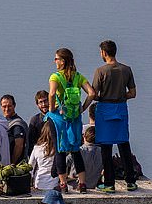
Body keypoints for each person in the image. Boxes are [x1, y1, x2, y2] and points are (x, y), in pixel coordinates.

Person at [91, 40, 139, 192]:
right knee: (124, 143)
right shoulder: (127, 69)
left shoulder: (100, 71)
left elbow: (94, 93)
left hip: (105, 109)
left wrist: (103, 97)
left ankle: (109, 184)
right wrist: (119, 96)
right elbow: (133, 93)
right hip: (120, 108)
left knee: (106, 147)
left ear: (104, 53)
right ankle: (130, 181)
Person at [47, 47, 96, 193]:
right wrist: (83, 108)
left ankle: (63, 184)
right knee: (75, 149)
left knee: (60, 150)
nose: (55, 61)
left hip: (59, 118)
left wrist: (50, 109)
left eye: (56, 59)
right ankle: (82, 184)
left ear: (62, 61)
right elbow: (92, 93)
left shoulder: (55, 77)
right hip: (74, 118)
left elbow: (51, 93)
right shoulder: (78, 76)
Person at [28, 123, 59, 191]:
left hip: (39, 182)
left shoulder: (37, 148)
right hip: (55, 183)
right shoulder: (59, 148)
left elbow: (30, 167)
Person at [0, 94, 28, 164]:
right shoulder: (3, 121)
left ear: (14, 106)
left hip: (15, 165)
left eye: (9, 106)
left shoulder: (17, 124)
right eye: (4, 106)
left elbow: (19, 146)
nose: (7, 109)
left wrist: (12, 163)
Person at [26, 90, 52, 159]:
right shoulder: (34, 121)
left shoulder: (58, 118)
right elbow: (31, 143)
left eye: (45, 101)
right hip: (41, 156)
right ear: (37, 105)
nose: (43, 104)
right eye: (40, 102)